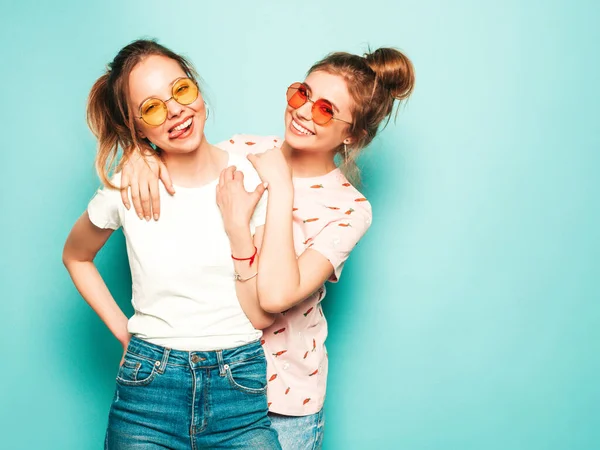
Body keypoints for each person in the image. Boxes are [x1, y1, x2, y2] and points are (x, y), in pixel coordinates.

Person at [120, 47, 415, 449]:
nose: (305, 111)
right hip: (203, 377)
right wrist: (142, 155)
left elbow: (275, 296)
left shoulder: (350, 209)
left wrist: (281, 186)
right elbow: (179, 158)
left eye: (327, 110)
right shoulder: (244, 150)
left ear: (353, 135)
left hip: (285, 399)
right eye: (302, 94)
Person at [62, 39, 281, 449]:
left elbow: (264, 306)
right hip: (148, 394)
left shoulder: (253, 180)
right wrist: (126, 333)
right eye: (152, 107)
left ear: (195, 87)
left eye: (180, 90)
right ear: (136, 127)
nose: (176, 110)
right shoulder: (127, 188)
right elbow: (76, 256)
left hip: (239, 386)